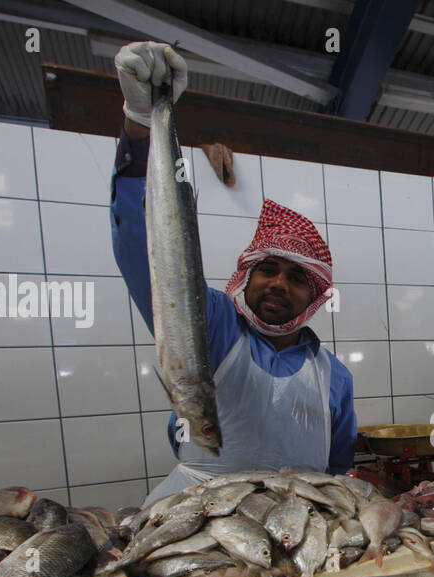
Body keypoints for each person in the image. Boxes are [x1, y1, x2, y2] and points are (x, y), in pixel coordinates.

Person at [110, 42, 356, 504]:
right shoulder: (214, 326)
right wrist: (142, 124)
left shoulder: (335, 377)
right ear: (247, 275)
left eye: (296, 277)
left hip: (297, 529)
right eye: (268, 268)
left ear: (315, 296)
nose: (278, 283)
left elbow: (337, 467)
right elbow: (146, 253)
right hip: (197, 523)